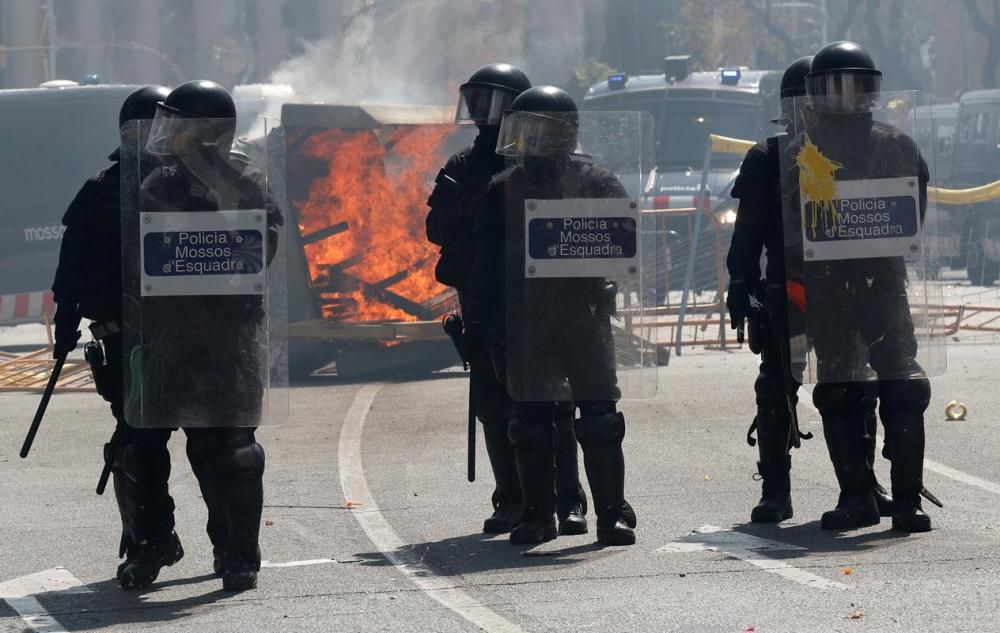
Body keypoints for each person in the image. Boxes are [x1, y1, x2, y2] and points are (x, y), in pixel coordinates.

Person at [727, 57, 893, 525]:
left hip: (848, 289)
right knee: (776, 386)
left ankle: (862, 485)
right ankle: (776, 489)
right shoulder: (769, 156)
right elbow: (749, 231)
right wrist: (739, 280)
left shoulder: (856, 152)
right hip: (790, 288)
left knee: (854, 386)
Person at [468, 86, 636, 546]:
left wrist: (605, 276)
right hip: (526, 321)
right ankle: (539, 515)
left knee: (600, 418)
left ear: (566, 132)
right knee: (531, 421)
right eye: (524, 128)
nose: (532, 138)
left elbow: (625, 239)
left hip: (583, 316)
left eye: (542, 128)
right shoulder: (504, 188)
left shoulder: (596, 180)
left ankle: (611, 513)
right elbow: (484, 264)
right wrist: (479, 322)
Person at [426, 64, 588, 536]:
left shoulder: (543, 161)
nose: (481, 114)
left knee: (556, 403)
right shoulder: (462, 167)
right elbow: (434, 228)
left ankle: (568, 498)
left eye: (492, 102)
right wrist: (469, 207)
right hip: (487, 294)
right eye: (475, 102)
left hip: (548, 296)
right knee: (495, 401)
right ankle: (512, 498)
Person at [783, 42, 932, 532]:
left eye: (856, 85)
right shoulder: (802, 151)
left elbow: (912, 212)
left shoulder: (895, 144)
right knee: (840, 392)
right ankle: (857, 498)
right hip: (827, 289)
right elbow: (787, 218)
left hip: (883, 287)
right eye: (833, 86)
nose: (845, 97)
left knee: (903, 389)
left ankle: (908, 501)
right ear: (814, 93)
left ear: (873, 90)